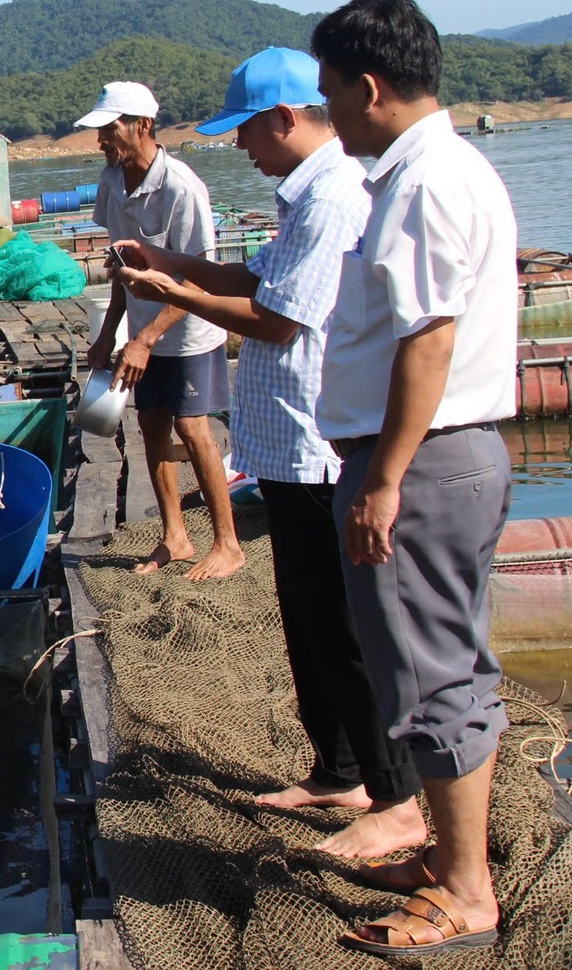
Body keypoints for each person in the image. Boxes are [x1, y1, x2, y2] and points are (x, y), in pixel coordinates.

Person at [110, 47, 424, 859]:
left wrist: (172, 297)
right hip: (285, 450)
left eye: (246, 131)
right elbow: (252, 278)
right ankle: (337, 768)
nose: (240, 147)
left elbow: (282, 321)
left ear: (284, 119)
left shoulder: (332, 199)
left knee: (345, 629)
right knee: (307, 621)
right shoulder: (304, 198)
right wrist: (170, 263)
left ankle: (392, 794)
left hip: (320, 447)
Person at [313, 0, 517, 957]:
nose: (330, 116)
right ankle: (447, 858)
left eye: (332, 96)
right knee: (444, 661)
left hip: (424, 460)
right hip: (439, 456)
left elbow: (427, 341)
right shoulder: (443, 168)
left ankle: (467, 890)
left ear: (369, 86)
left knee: (434, 676)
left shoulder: (424, 181)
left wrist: (384, 477)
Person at [77, 81, 241, 579]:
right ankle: (175, 536)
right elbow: (122, 265)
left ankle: (228, 542)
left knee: (193, 430)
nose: (102, 140)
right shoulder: (112, 181)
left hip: (188, 331)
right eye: (100, 132)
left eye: (109, 130)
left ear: (141, 126)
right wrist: (110, 334)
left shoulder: (181, 188)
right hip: (142, 335)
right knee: (150, 425)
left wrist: (145, 340)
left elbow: (195, 276)